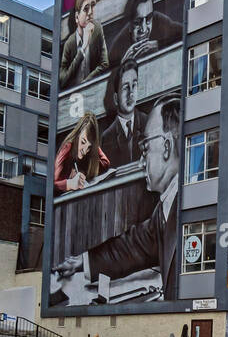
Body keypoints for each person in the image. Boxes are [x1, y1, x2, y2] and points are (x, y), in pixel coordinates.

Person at [53, 96, 181, 300]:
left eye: (145, 149)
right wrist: (83, 261)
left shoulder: (188, 206)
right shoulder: (165, 208)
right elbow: (131, 247)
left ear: (166, 147)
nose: (141, 162)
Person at [59, 0, 110, 90]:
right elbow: (62, 80)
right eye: (86, 9)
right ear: (77, 17)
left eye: (93, 6)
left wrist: (85, 83)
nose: (91, 12)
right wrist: (81, 51)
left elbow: (104, 64)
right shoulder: (70, 43)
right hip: (73, 101)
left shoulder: (97, 30)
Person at [99, 62, 146, 169]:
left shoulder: (147, 123)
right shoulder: (107, 137)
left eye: (134, 85)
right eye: (125, 88)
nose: (131, 93)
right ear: (116, 98)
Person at [53, 112, 111, 193]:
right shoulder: (67, 147)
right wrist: (70, 184)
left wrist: (82, 172)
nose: (85, 151)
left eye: (89, 147)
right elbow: (53, 184)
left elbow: (105, 163)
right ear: (77, 135)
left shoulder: (90, 150)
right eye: (83, 142)